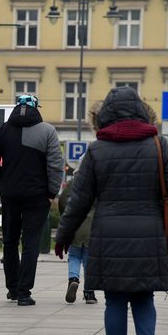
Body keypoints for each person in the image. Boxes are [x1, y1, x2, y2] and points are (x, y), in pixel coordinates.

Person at [55, 87, 168, 335]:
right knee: (143, 297)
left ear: (105, 115)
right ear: (141, 111)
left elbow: (78, 200)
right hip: (149, 234)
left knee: (114, 301)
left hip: (109, 236)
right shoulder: (158, 145)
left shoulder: (97, 150)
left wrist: (63, 236)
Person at [0, 94, 63, 306]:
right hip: (37, 195)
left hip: (10, 194)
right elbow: (55, 165)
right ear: (37, 108)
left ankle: (12, 289)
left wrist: (4, 177)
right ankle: (24, 293)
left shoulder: (3, 130)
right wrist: (52, 192)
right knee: (31, 242)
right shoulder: (47, 131)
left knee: (9, 241)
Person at [58, 101, 102, 305]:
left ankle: (73, 279)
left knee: (74, 256)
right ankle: (89, 292)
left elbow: (63, 200)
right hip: (93, 229)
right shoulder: (98, 185)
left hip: (76, 228)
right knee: (89, 260)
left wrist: (64, 219)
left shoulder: (74, 184)